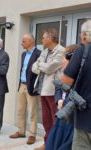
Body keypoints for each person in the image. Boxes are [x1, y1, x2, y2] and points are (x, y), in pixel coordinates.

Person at [32, 28, 65, 150]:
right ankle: (47, 144)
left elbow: (50, 68)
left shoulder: (61, 51)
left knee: (54, 120)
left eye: (43, 37)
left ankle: (54, 145)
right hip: (42, 89)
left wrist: (41, 65)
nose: (42, 40)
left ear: (50, 38)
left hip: (53, 91)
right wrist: (42, 66)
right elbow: (33, 67)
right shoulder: (44, 51)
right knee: (46, 121)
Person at [61, 19, 91, 150]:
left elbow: (66, 82)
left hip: (86, 117)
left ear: (85, 35)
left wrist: (66, 67)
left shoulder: (83, 50)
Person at [45, 44, 78, 150]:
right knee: (53, 143)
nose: (62, 61)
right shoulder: (63, 73)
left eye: (63, 57)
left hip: (70, 121)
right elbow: (58, 88)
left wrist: (64, 103)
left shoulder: (79, 77)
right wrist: (59, 99)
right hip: (60, 116)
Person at [9, 33, 40, 144]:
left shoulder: (38, 54)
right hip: (22, 85)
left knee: (32, 112)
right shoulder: (23, 54)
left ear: (31, 42)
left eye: (23, 41)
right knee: (20, 110)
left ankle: (32, 135)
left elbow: (39, 72)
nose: (22, 43)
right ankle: (21, 131)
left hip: (32, 87)